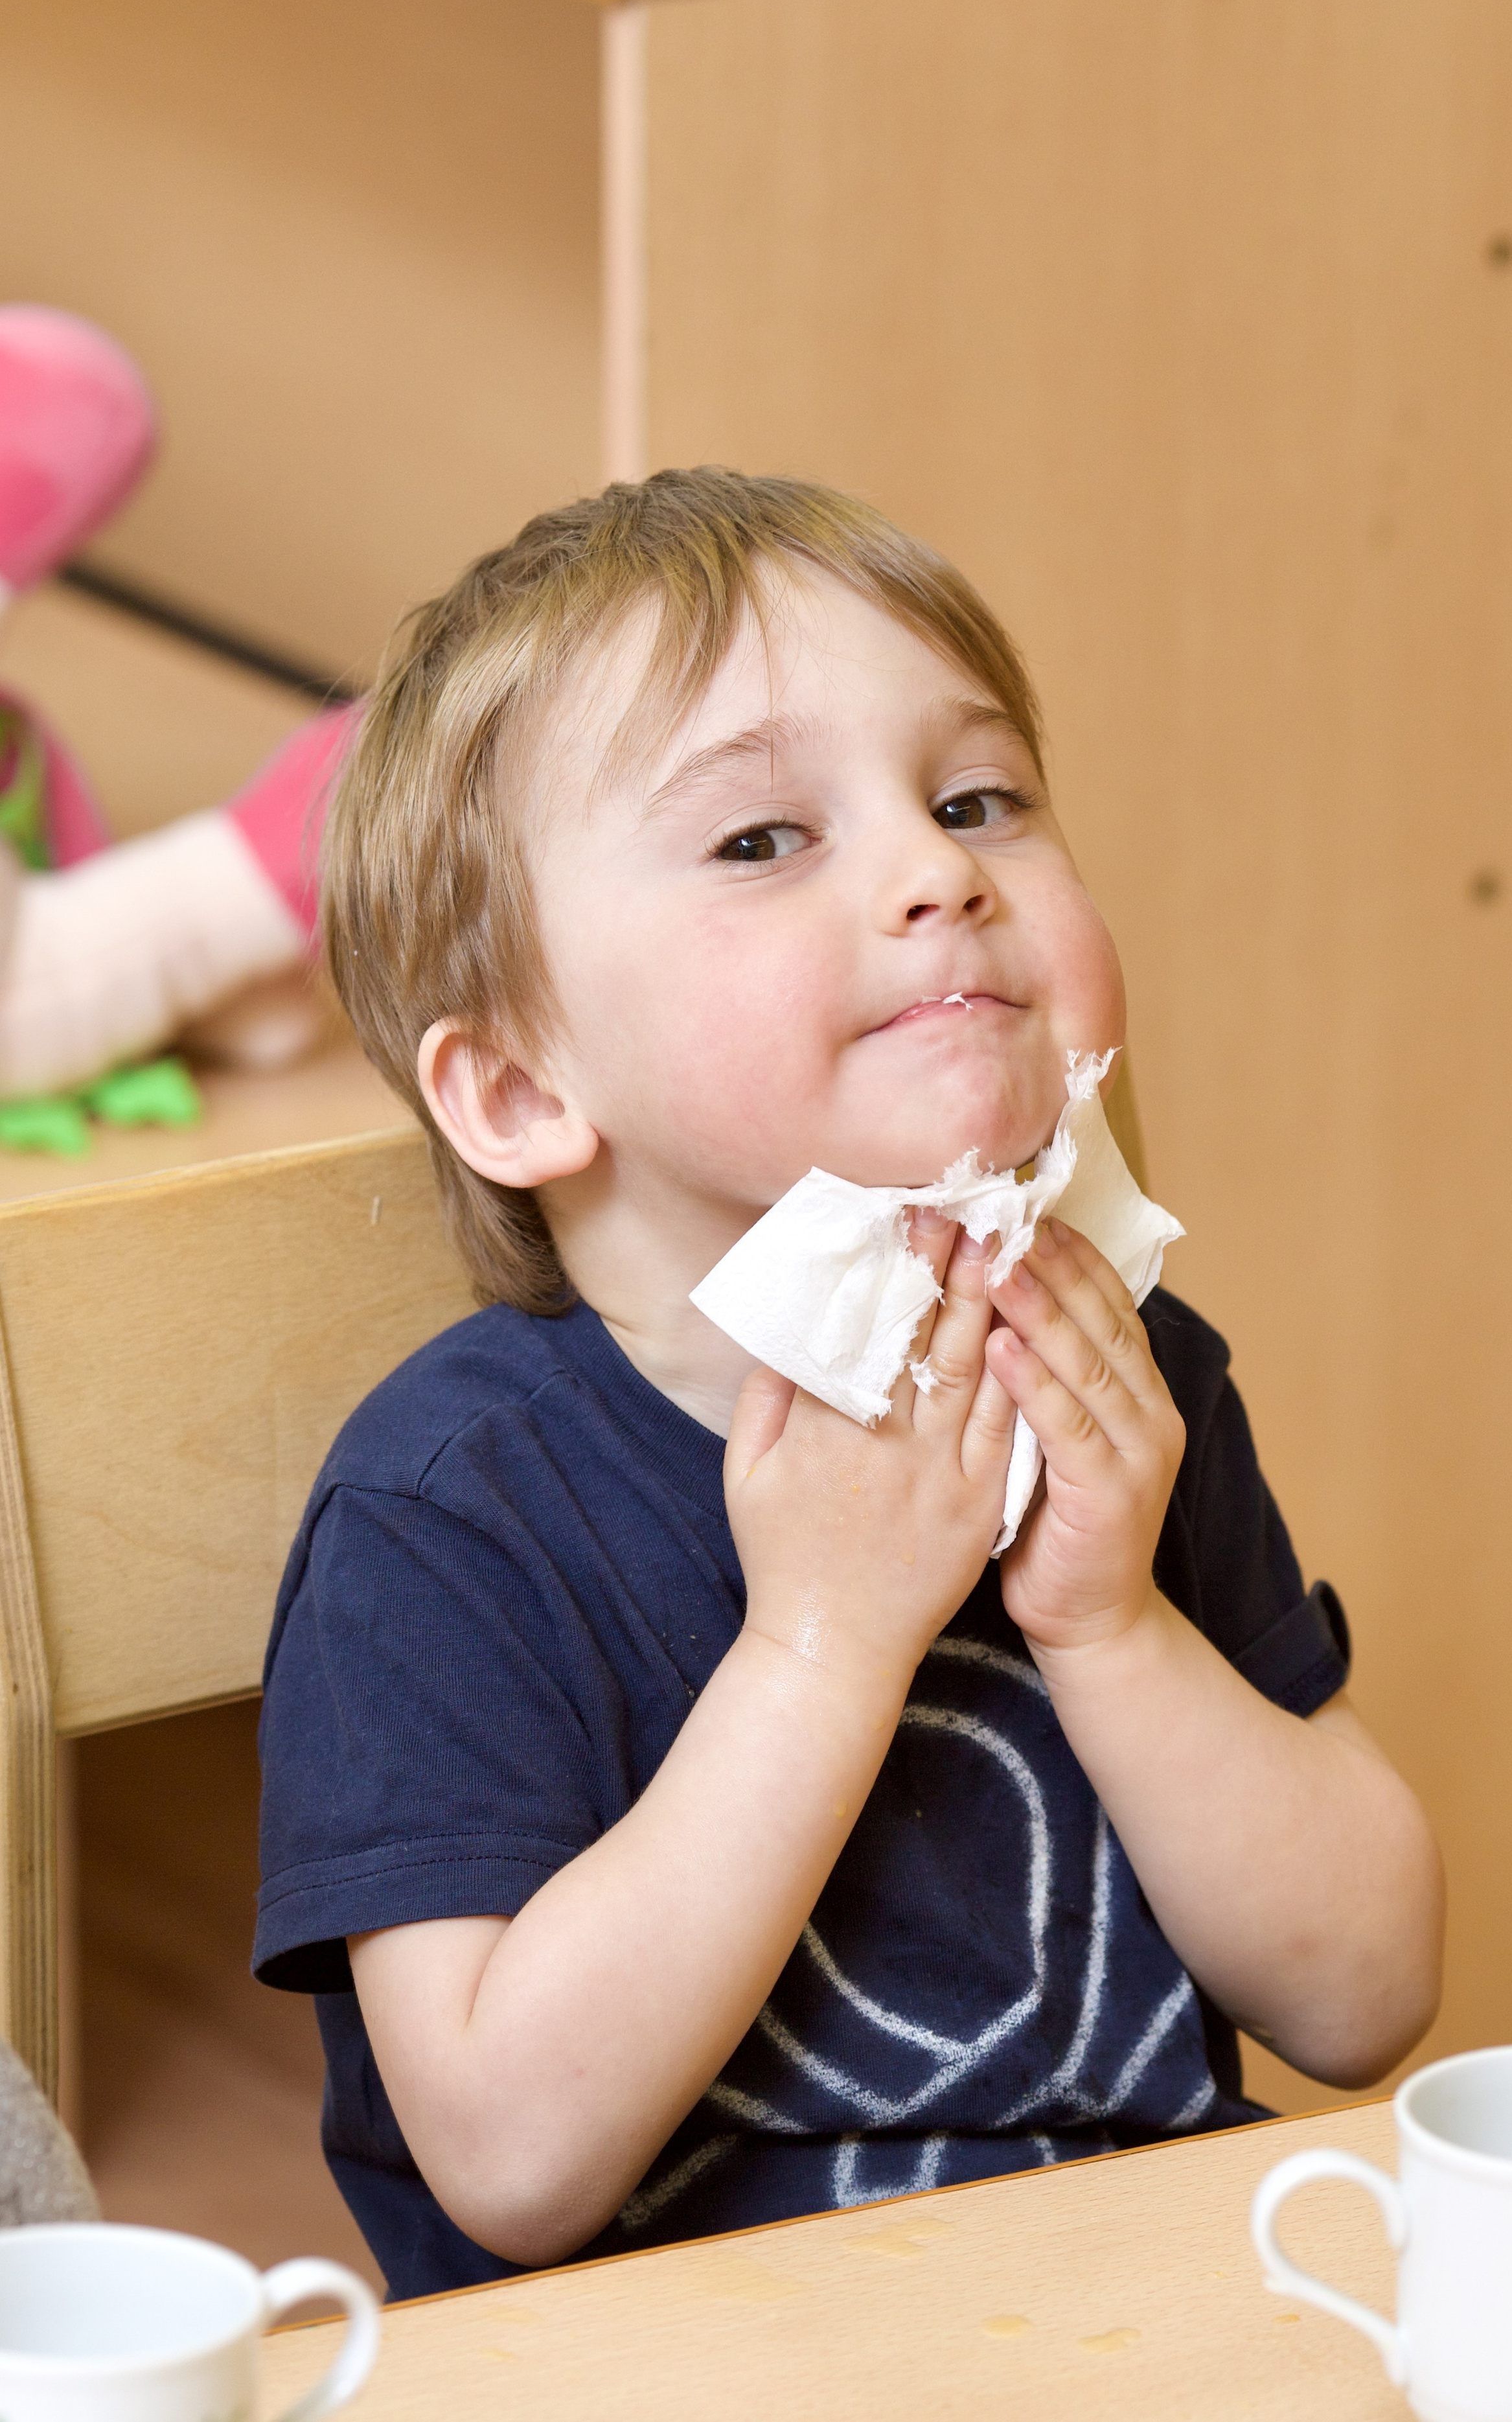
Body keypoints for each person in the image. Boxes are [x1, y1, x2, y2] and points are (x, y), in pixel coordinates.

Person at [255, 470, 1443, 2301]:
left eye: (979, 800)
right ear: (515, 1091)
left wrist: (1113, 1622)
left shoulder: (1131, 1370)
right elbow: (504, 2154)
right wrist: (820, 1643)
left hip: (1157, 2319)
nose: (941, 868)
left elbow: (1366, 1993)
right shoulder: (451, 1508)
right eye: (759, 841)